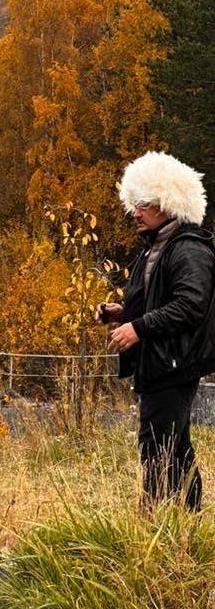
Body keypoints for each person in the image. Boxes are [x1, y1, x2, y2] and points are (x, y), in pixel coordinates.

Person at [96, 151, 215, 510]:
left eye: (145, 204)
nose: (136, 213)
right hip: (162, 361)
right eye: (134, 204)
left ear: (168, 203)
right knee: (174, 444)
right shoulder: (158, 247)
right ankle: (188, 515)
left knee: (157, 446)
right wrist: (123, 313)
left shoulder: (188, 250)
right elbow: (162, 301)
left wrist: (138, 327)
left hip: (174, 363)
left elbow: (191, 305)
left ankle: (154, 518)